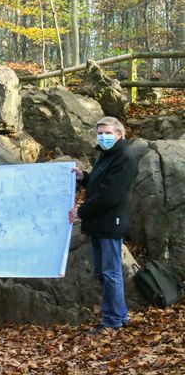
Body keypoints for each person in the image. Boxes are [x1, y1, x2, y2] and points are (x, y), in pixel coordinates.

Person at [68, 116, 138, 333]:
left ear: (119, 134)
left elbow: (109, 195)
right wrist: (84, 177)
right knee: (102, 272)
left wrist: (81, 211)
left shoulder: (125, 158)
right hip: (100, 223)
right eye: (100, 133)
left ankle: (112, 320)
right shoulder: (107, 155)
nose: (103, 137)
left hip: (110, 223)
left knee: (110, 272)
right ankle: (120, 314)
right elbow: (99, 183)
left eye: (108, 133)